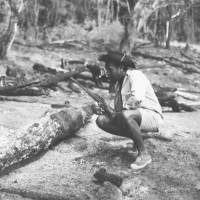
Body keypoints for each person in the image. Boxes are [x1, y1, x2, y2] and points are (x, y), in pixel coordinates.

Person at [96, 50, 163, 170]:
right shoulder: (118, 84)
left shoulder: (135, 75)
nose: (107, 73)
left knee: (126, 116)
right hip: (135, 116)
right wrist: (105, 109)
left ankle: (144, 154)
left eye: (110, 69)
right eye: (106, 70)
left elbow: (136, 99)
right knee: (101, 120)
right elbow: (117, 112)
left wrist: (117, 113)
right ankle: (139, 136)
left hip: (152, 116)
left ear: (121, 67)